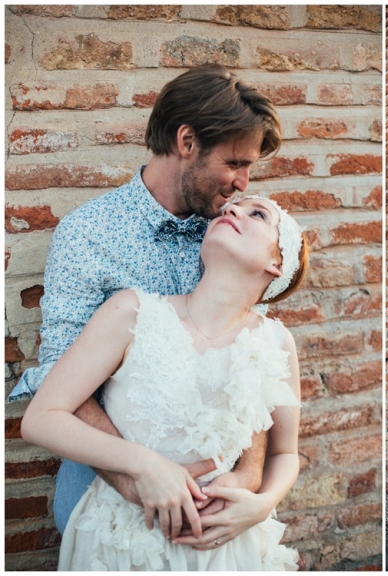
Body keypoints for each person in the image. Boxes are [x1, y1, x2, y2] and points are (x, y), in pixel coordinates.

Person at [8, 64, 282, 536]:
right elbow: (58, 371)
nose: (243, 183)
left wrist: (250, 475)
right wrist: (135, 480)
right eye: (236, 163)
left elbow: (252, 361)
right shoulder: (89, 234)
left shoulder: (233, 233)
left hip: (214, 490)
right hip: (105, 477)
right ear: (187, 142)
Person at [22, 195, 309, 569]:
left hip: (224, 545)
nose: (232, 210)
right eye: (230, 208)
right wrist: (145, 465)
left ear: (278, 263)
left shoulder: (276, 342)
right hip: (126, 539)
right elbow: (41, 418)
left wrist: (262, 504)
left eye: (257, 214)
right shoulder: (132, 312)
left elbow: (284, 453)